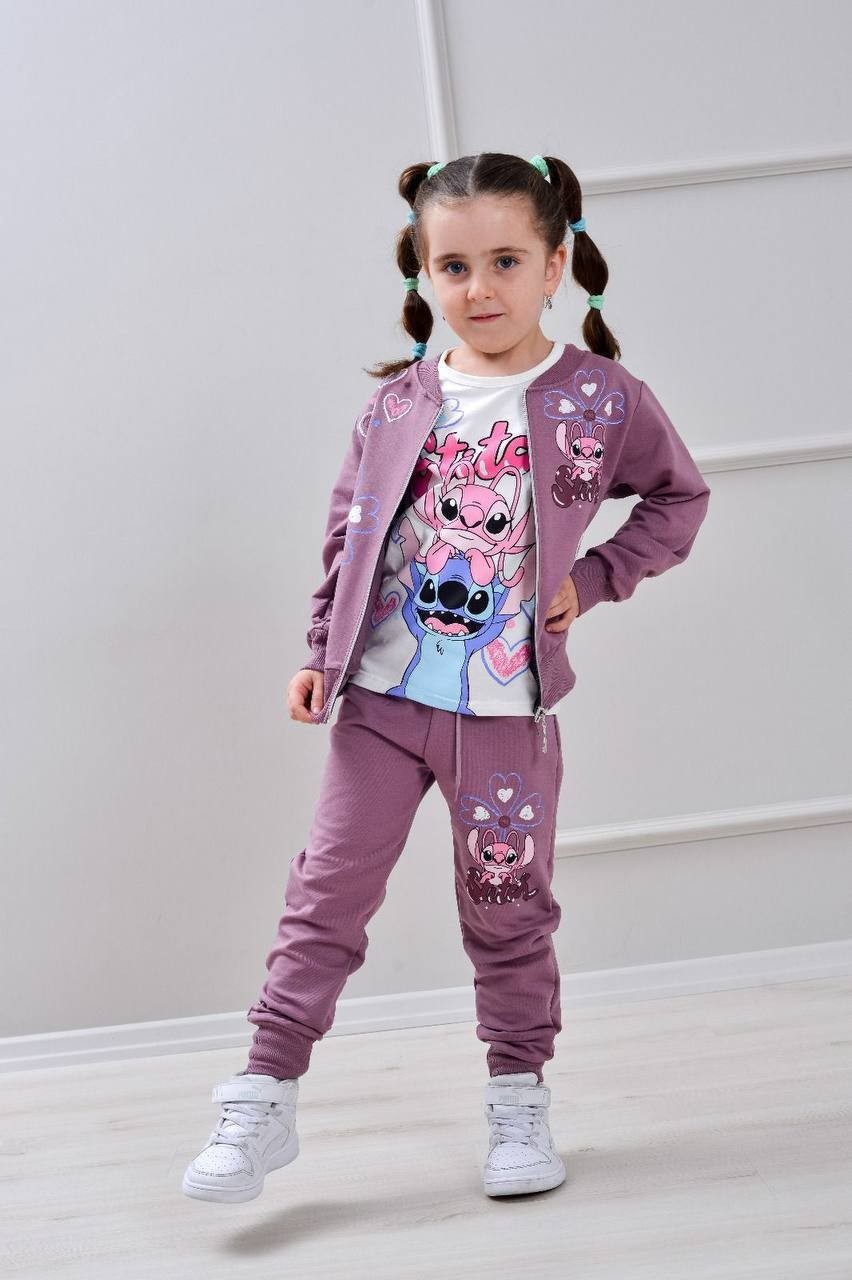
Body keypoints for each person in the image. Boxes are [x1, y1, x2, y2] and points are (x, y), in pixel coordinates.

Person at [183, 151, 711, 1204]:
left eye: (506, 261)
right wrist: (319, 650)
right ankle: (263, 1096)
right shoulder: (396, 407)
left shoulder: (602, 400)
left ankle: (518, 1098)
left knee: (507, 909)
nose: (479, 289)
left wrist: (592, 581)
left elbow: (679, 500)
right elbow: (350, 534)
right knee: (324, 897)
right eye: (453, 266)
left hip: (506, 716)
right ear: (423, 273)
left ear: (555, 265)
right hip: (381, 705)